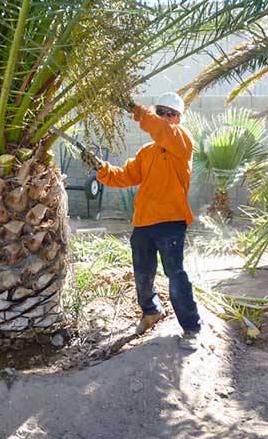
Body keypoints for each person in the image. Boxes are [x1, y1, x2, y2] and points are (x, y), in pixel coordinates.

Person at [80, 92, 201, 351]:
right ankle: (151, 312)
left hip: (171, 221)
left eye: (172, 114)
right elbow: (124, 176)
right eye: (162, 112)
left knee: (175, 274)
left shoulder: (182, 142)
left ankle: (191, 328)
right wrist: (101, 168)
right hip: (144, 222)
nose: (166, 118)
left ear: (179, 118)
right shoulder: (147, 152)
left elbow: (158, 128)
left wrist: (135, 108)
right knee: (143, 275)